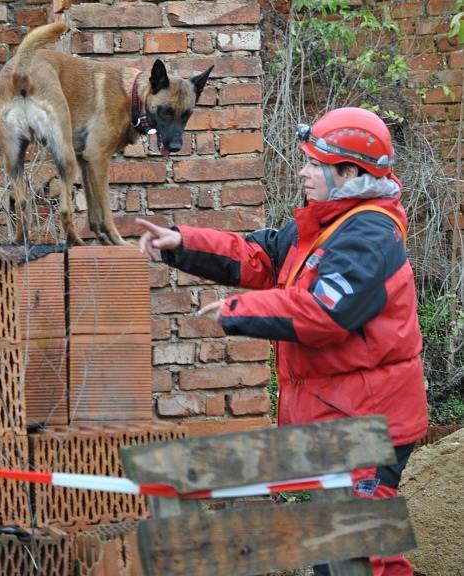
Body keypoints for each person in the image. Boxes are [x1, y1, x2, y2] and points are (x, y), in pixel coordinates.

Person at [137, 107, 428, 576]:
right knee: (334, 551)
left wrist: (238, 312)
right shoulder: (326, 222)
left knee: (362, 555)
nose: (303, 171)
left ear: (349, 173)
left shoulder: (368, 232)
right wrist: (181, 241)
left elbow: (326, 313)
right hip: (340, 416)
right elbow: (261, 254)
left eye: (315, 163)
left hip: (370, 423)